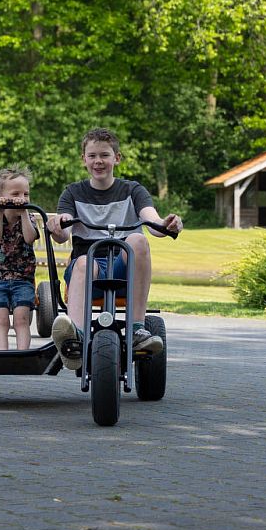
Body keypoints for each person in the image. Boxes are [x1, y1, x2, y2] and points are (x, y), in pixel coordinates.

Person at [46, 127, 182, 364]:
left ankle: (137, 330)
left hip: (123, 270)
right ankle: (75, 339)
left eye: (105, 155)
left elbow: (152, 222)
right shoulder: (72, 192)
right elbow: (64, 231)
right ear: (84, 160)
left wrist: (167, 224)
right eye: (92, 156)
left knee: (138, 239)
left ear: (116, 158)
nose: (98, 161)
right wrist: (57, 226)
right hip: (89, 272)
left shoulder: (132, 190)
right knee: (85, 261)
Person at [0, 167, 39, 351]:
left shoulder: (29, 216)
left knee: (22, 319)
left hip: (23, 278)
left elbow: (30, 238)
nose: (22, 198)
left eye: (26, 194)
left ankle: (22, 353)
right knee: (1, 319)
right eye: (16, 194)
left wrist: (23, 213)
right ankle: (2, 353)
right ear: (1, 196)